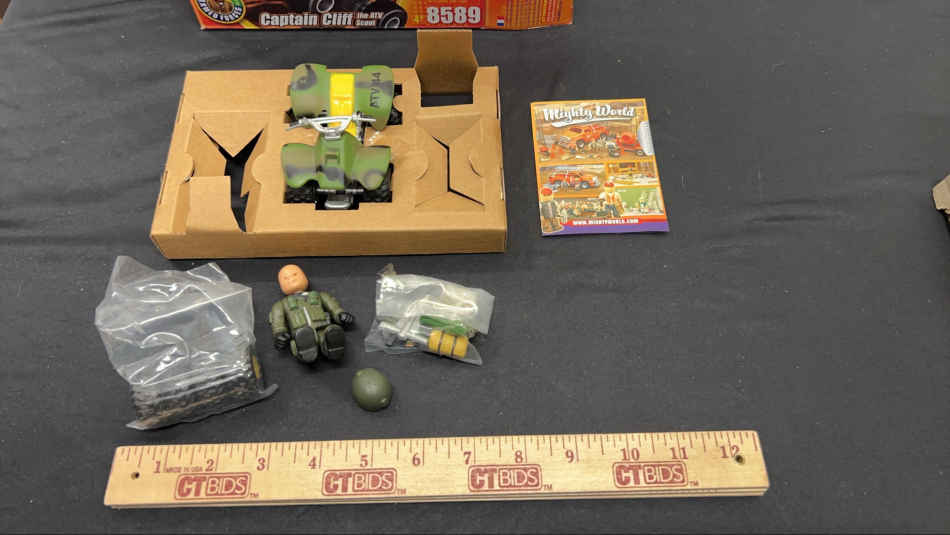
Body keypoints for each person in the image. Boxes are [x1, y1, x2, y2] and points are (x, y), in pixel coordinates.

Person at [269, 264, 355, 364]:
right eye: (285, 278)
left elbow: (333, 307)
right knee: (303, 338)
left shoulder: (319, 296)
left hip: (323, 328)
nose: (291, 279)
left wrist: (340, 315)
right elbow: (277, 321)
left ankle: (333, 344)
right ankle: (305, 350)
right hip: (300, 333)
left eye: (295, 275)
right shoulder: (280, 305)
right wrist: (279, 334)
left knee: (330, 332)